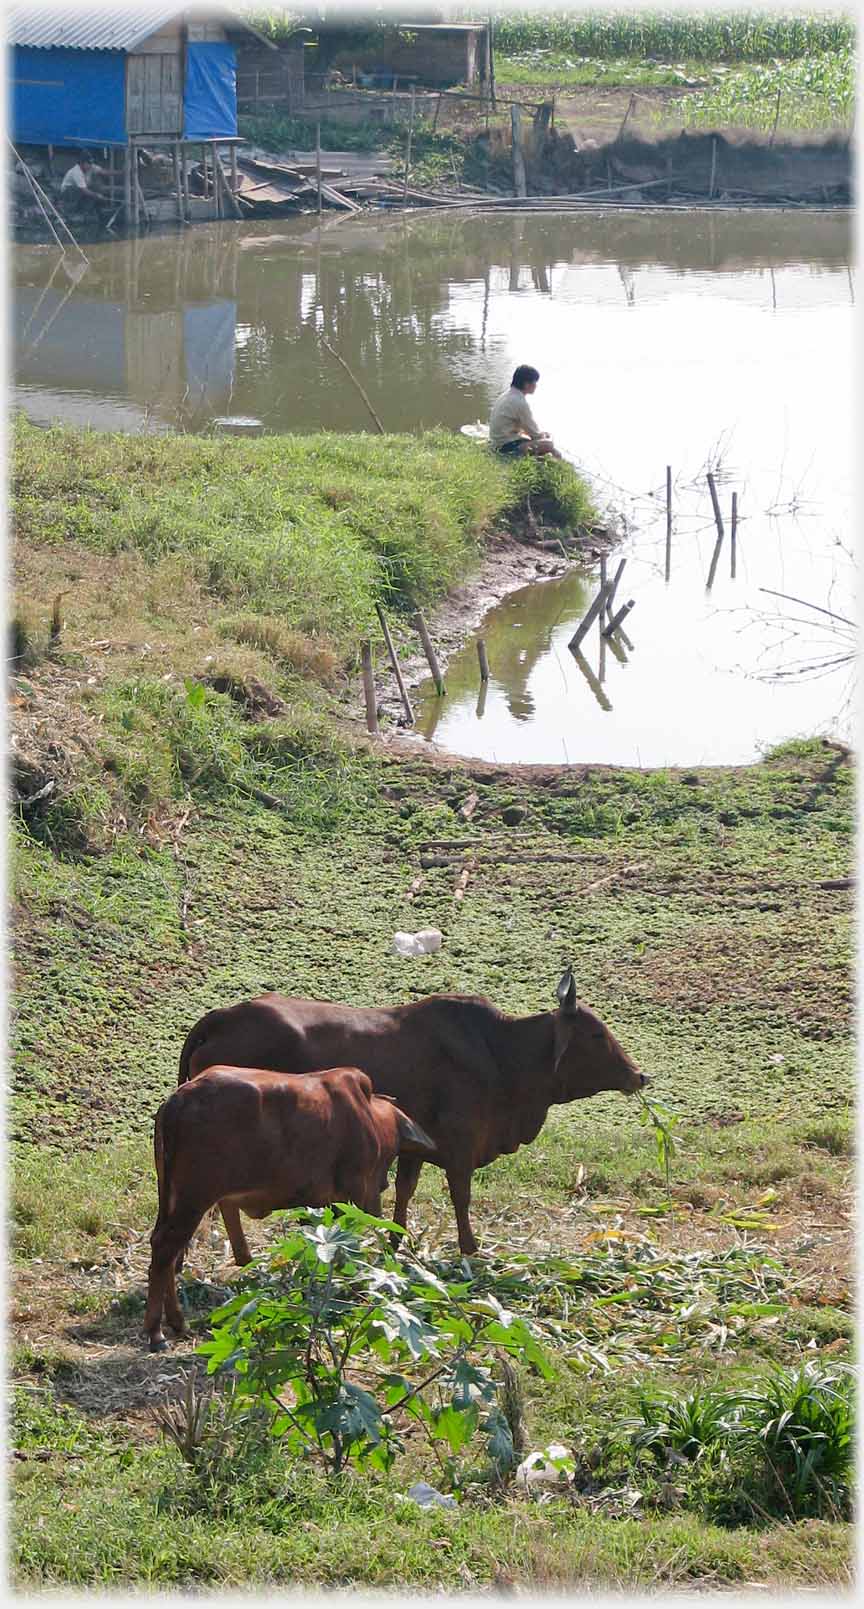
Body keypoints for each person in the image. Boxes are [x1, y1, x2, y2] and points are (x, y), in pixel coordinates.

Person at [489, 365, 561, 458]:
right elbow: (535, 435)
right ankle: (557, 461)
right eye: (535, 382)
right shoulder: (520, 402)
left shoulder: (507, 395)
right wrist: (547, 436)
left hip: (498, 440)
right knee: (549, 444)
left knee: (542, 442)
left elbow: (526, 428)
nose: (536, 385)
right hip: (505, 446)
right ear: (527, 384)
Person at [60, 155, 113, 225]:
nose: (90, 165)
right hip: (68, 192)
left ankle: (86, 211)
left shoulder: (90, 167)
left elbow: (104, 172)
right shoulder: (76, 172)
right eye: (88, 163)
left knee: (96, 187)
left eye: (91, 163)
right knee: (86, 191)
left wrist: (121, 172)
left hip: (81, 191)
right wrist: (97, 195)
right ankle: (73, 211)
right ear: (82, 163)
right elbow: (84, 190)